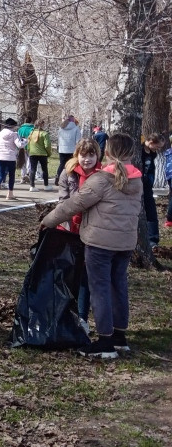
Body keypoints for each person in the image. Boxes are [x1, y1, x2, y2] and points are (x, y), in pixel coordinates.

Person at [41, 132, 141, 359]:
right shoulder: (137, 179)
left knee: (101, 289)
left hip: (100, 243)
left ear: (106, 153)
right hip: (125, 243)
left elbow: (72, 205)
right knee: (119, 286)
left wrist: (48, 221)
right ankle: (119, 337)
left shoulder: (102, 180)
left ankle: (105, 342)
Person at [54, 139, 102, 324]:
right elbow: (63, 200)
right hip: (69, 228)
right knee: (66, 273)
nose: (87, 159)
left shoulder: (103, 176)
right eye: (83, 155)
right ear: (77, 155)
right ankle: (63, 314)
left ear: (98, 155)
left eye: (91, 155)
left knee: (85, 275)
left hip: (92, 231)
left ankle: (82, 317)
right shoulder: (68, 173)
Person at [0, 117, 24, 201]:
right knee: (11, 175)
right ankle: (10, 194)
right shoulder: (14, 134)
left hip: (0, 156)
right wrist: (25, 141)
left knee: (1, 174)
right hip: (10, 157)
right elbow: (19, 145)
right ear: (13, 126)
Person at [142, 133, 164, 250]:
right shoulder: (140, 151)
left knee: (151, 210)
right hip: (140, 184)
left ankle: (153, 239)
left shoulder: (152, 153)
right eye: (157, 146)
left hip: (147, 185)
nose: (158, 149)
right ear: (151, 142)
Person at [25, 119, 54, 192]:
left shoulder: (31, 133)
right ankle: (46, 185)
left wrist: (29, 150)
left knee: (32, 169)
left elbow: (28, 144)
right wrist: (49, 153)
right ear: (42, 125)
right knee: (44, 169)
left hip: (32, 153)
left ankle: (32, 186)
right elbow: (47, 145)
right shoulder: (44, 133)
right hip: (42, 154)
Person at [56, 115, 82, 180]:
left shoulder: (61, 128)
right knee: (72, 164)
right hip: (72, 149)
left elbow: (59, 139)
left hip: (62, 149)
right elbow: (78, 141)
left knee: (62, 164)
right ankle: (71, 178)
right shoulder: (76, 128)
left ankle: (58, 176)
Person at [18, 118, 36, 184]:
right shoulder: (32, 129)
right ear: (31, 121)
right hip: (30, 147)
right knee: (30, 162)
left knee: (23, 161)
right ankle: (28, 175)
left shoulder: (20, 129)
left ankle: (22, 176)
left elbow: (18, 138)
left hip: (22, 147)